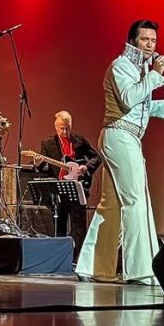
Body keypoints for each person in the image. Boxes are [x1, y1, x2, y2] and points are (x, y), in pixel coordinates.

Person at [75, 20, 164, 285]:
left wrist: (163, 105)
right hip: (119, 136)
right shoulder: (121, 66)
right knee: (136, 200)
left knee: (111, 205)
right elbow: (127, 98)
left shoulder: (141, 70)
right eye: (145, 40)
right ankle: (142, 270)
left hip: (128, 137)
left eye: (153, 41)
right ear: (133, 41)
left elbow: (138, 107)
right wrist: (154, 77)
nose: (150, 45)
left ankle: (93, 267)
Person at [33, 111, 102, 260]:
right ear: (55, 127)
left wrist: (86, 167)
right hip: (58, 190)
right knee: (59, 224)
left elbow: (96, 157)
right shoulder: (48, 143)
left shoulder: (79, 140)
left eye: (67, 128)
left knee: (79, 227)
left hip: (78, 186)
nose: (65, 132)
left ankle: (78, 259)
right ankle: (60, 259)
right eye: (61, 128)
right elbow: (39, 167)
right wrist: (37, 160)